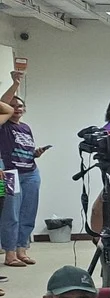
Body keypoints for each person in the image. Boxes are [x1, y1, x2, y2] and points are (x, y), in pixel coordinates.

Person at [0, 73, 43, 267]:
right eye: (14, 105)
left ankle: (22, 250)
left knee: (28, 212)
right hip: (10, 173)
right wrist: (16, 83)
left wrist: (35, 153)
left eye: (20, 106)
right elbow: (2, 104)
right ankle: (10, 254)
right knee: (11, 213)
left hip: (31, 172)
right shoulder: (3, 125)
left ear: (25, 109)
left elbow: (23, 149)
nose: (17, 108)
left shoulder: (26, 127)